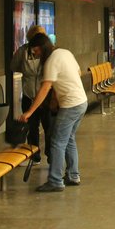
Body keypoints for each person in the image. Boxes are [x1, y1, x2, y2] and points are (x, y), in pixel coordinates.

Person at [19, 34, 88, 192]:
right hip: (81, 102)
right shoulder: (65, 52)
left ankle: (56, 181)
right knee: (68, 139)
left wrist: (30, 111)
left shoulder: (51, 61)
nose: (35, 55)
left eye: (35, 51)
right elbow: (77, 73)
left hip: (70, 105)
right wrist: (57, 96)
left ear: (41, 47)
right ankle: (73, 175)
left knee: (57, 141)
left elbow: (45, 89)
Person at [9, 25, 57, 163]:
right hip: (29, 95)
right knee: (32, 128)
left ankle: (51, 155)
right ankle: (34, 156)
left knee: (49, 127)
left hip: (46, 97)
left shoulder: (50, 53)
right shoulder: (23, 51)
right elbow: (13, 66)